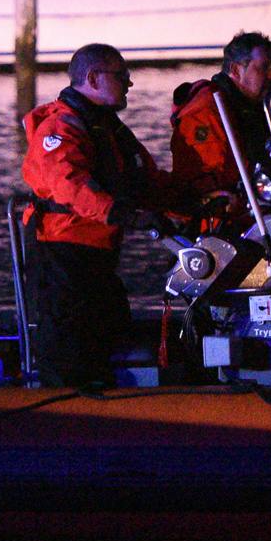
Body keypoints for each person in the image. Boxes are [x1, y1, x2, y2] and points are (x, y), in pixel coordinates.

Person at [21, 43, 182, 386]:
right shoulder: (61, 128)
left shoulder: (108, 129)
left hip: (96, 255)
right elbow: (70, 186)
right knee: (70, 348)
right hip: (63, 253)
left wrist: (196, 203)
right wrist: (125, 215)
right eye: (122, 75)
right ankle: (66, 415)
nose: (130, 83)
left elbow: (147, 180)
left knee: (110, 328)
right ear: (93, 78)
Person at [169, 30, 271, 232]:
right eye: (264, 68)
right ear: (236, 70)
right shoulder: (208, 111)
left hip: (253, 217)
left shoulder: (252, 108)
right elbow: (210, 185)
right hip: (217, 228)